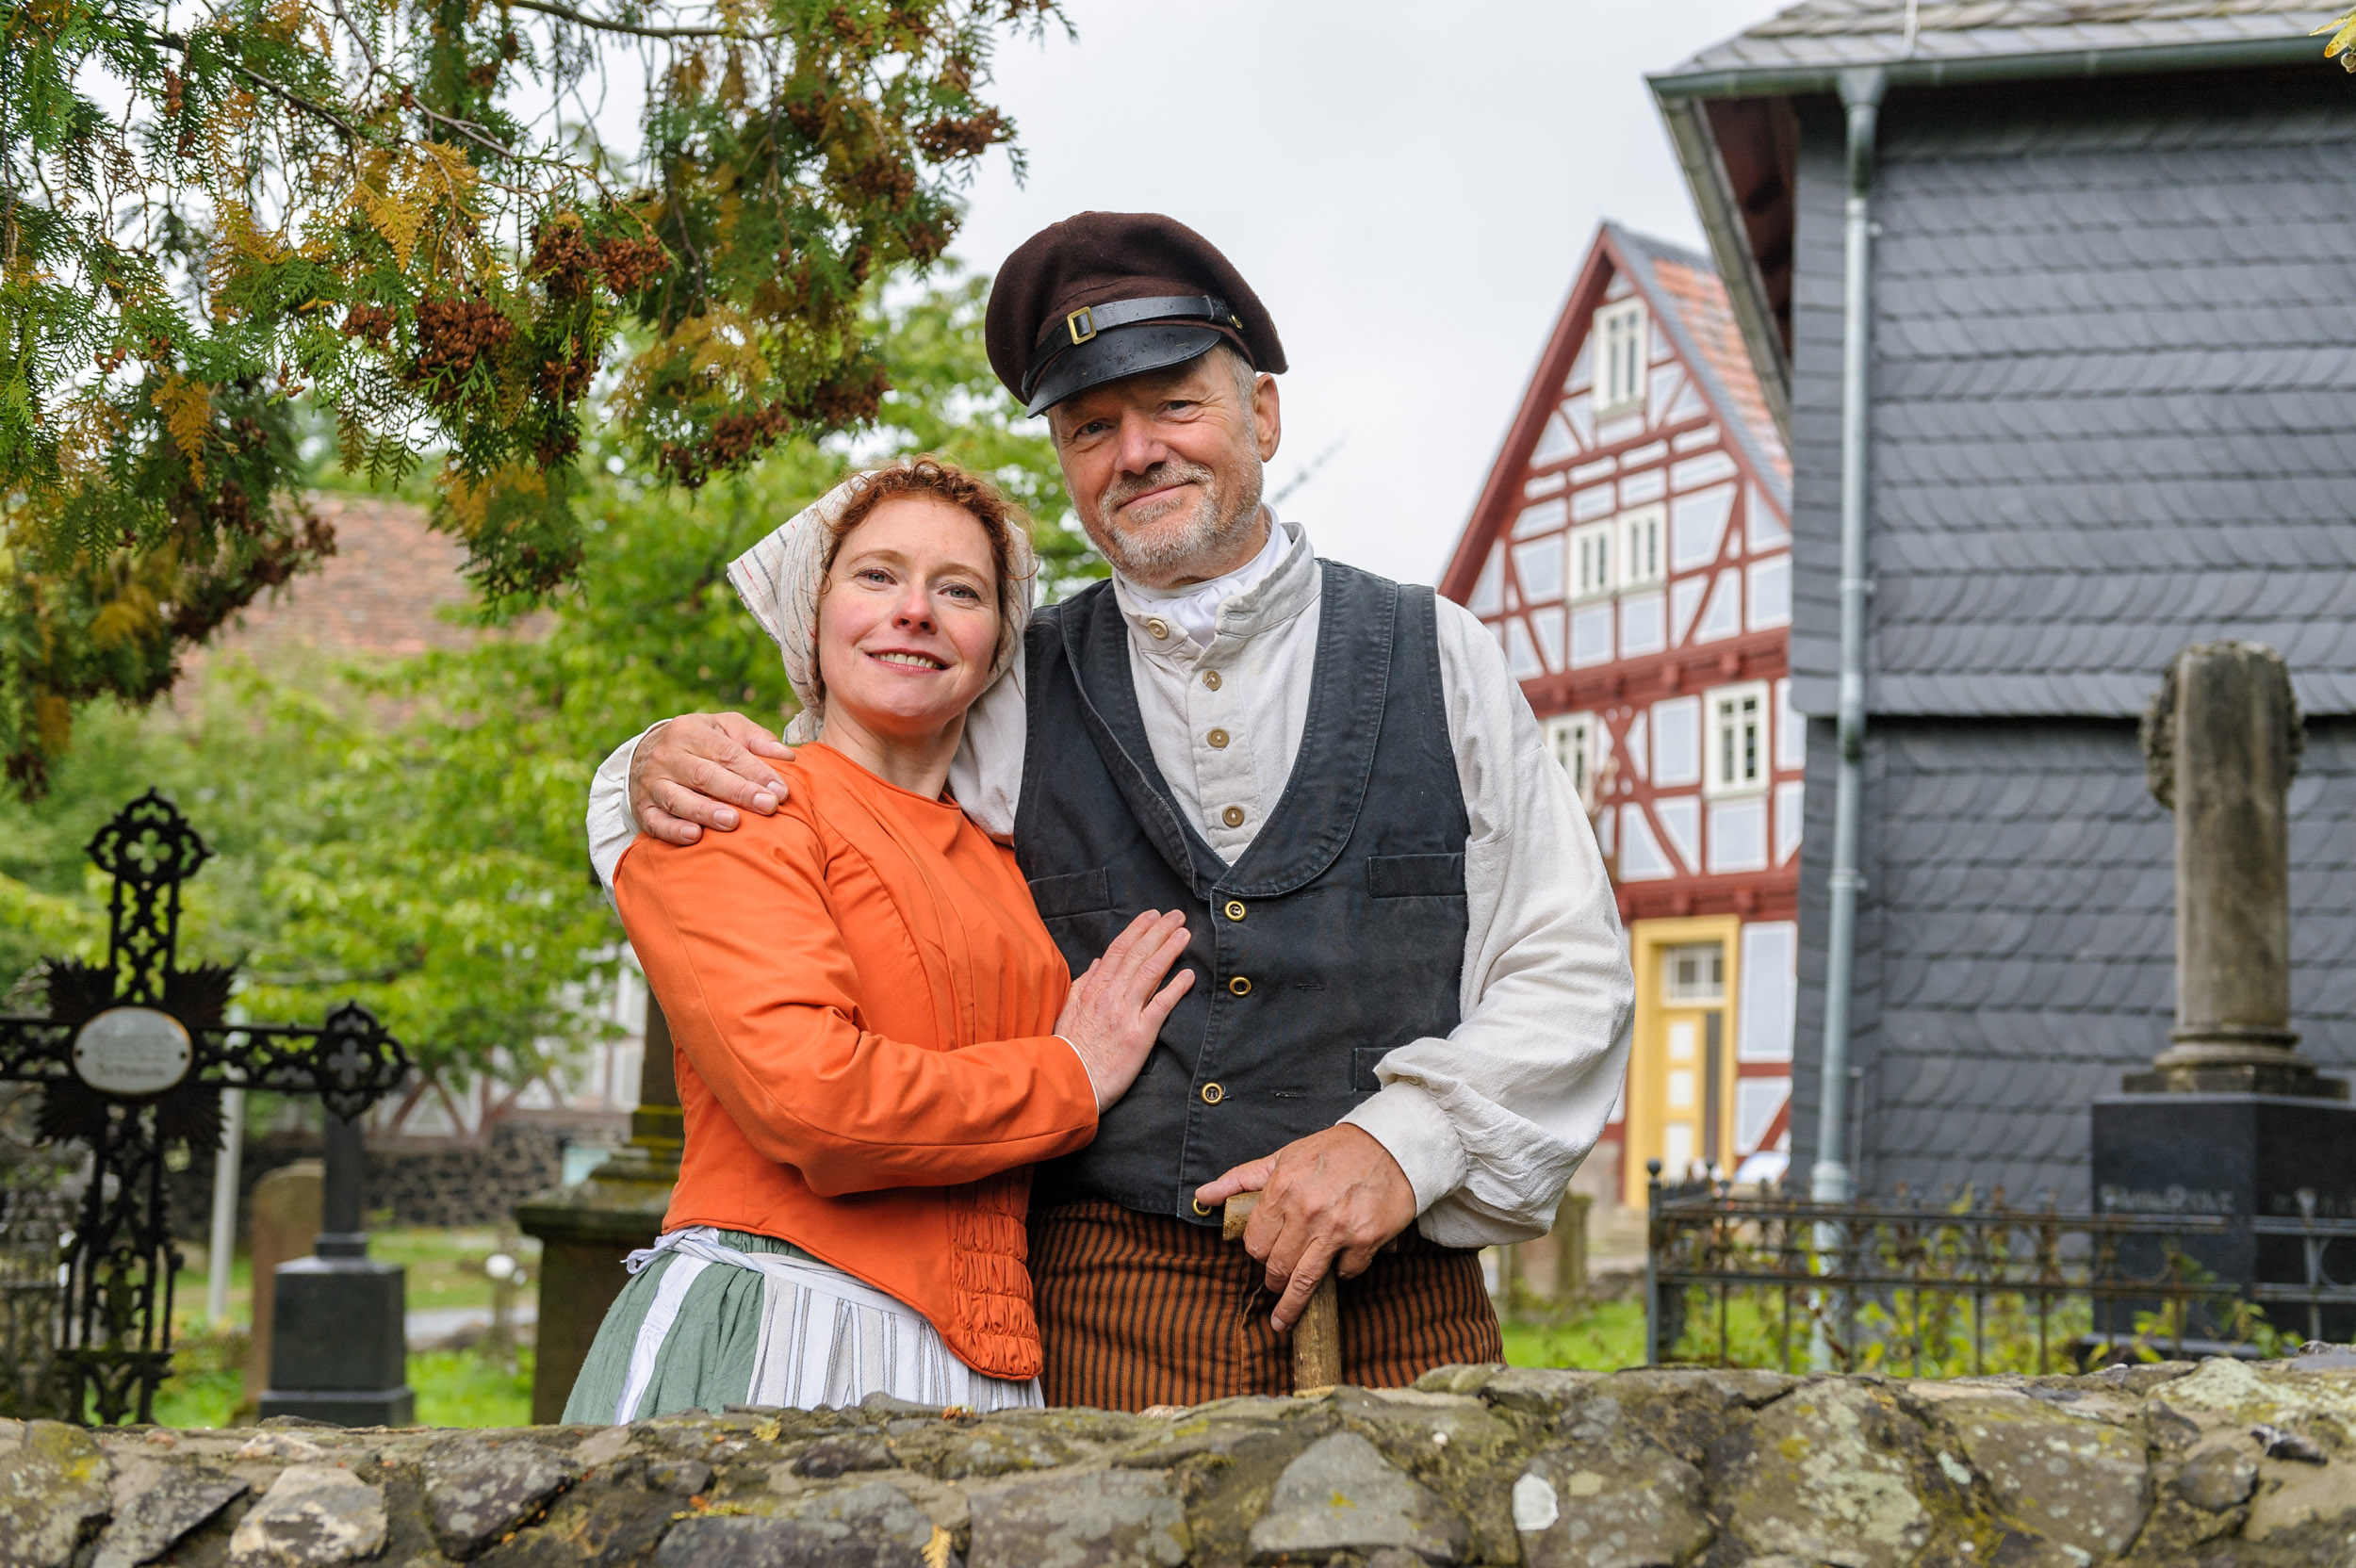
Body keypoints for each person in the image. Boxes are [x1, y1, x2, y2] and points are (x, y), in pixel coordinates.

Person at [587, 213, 1635, 1411]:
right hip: (1100, 1311)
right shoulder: (1012, 672)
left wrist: (1405, 1141)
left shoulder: (1441, 652)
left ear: (1265, 415)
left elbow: (1568, 965)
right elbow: (840, 783)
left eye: (1176, 406)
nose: (1136, 452)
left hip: (1403, 1296)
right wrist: (645, 762)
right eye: (1093, 427)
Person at [564, 457, 1195, 1421]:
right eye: (876, 575)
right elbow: (810, 1097)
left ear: (994, 648)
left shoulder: (1010, 860)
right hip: (781, 1325)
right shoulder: (738, 801)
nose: (916, 610)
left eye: (960, 590)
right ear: (807, 616)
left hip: (986, 1370)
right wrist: (1069, 1074)